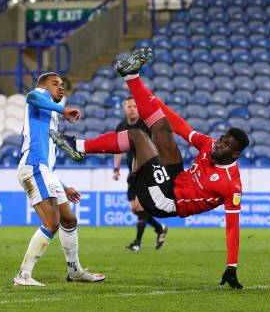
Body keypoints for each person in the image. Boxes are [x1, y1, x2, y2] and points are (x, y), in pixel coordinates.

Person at [51, 48, 249, 289]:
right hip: (175, 178)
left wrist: (232, 265)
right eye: (221, 139)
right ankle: (131, 77)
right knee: (163, 128)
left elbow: (233, 226)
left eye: (226, 145)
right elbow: (179, 125)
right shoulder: (209, 145)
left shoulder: (232, 184)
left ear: (235, 153)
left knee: (137, 136)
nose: (218, 144)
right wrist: (153, 102)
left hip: (168, 200)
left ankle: (79, 147)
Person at [14, 72, 105, 286]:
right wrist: (63, 109)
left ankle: (75, 271)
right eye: (56, 84)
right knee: (52, 223)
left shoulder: (51, 116)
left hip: (45, 170)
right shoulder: (39, 99)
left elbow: (49, 160)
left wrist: (63, 187)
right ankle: (23, 275)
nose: (61, 87)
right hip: (33, 166)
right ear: (44, 87)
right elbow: (31, 97)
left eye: (63, 84)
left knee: (69, 220)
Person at [113, 96, 168, 251]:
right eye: (129, 106)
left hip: (147, 170)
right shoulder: (121, 126)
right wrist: (116, 169)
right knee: (135, 209)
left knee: (139, 205)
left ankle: (137, 243)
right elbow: (117, 150)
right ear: (124, 108)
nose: (132, 109)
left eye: (134, 106)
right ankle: (160, 228)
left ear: (138, 109)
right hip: (133, 172)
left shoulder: (145, 126)